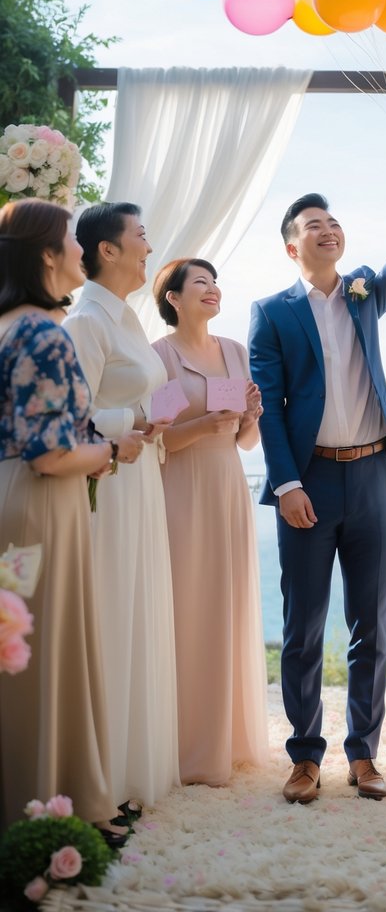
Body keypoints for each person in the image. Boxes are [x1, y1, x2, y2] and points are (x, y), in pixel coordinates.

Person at [249, 143, 386, 805]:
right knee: (302, 628)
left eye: (332, 222)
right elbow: (268, 407)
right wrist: (286, 485)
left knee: (370, 628)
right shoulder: (272, 311)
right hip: (309, 484)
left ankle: (363, 754)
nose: (327, 230)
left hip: (374, 476)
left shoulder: (363, 291)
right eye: (312, 225)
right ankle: (304, 757)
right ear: (291, 247)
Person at [0, 200, 144, 839]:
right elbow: (52, 455)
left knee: (20, 655)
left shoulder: (6, 325)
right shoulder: (42, 332)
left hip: (10, 498)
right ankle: (51, 807)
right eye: (71, 238)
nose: (82, 250)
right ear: (47, 254)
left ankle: (46, 798)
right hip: (42, 504)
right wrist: (113, 451)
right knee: (44, 655)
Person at [64, 203, 179, 812]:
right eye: (140, 236)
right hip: (105, 483)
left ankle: (132, 767)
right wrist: (129, 421)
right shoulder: (86, 321)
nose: (149, 247)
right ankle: (98, 777)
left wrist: (146, 419)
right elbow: (71, 416)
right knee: (110, 611)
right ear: (107, 250)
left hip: (141, 477)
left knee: (138, 605)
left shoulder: (127, 316)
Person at [152, 257, 269, 786]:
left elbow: (243, 441)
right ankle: (183, 746)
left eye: (215, 282)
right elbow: (162, 439)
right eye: (200, 282)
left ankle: (227, 740)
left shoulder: (235, 352)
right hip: (181, 487)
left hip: (227, 485)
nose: (213, 289)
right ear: (173, 298)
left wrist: (251, 417)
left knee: (227, 605)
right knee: (186, 608)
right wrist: (204, 423)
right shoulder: (161, 357)